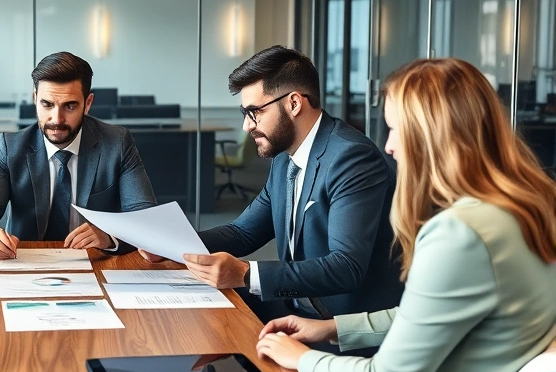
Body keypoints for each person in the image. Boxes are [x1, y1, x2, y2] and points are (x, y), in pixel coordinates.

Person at [256, 58, 556, 372]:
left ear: (433, 135)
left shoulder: (460, 234)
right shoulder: (530, 210)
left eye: (396, 129)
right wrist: (331, 329)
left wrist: (302, 358)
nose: (389, 145)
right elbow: (429, 314)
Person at [144, 45, 401, 323]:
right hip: (291, 304)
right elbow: (243, 232)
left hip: (336, 322)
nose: (247, 126)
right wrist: (172, 245)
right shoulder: (285, 157)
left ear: (293, 103)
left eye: (254, 112)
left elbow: (345, 267)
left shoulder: (351, 158)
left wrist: (246, 273)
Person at [0, 51, 157, 258]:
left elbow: (144, 217)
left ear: (88, 103)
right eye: (47, 104)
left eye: (70, 106)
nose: (57, 119)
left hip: (95, 260)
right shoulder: (10, 148)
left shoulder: (117, 143)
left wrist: (109, 237)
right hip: (25, 260)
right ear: (35, 98)